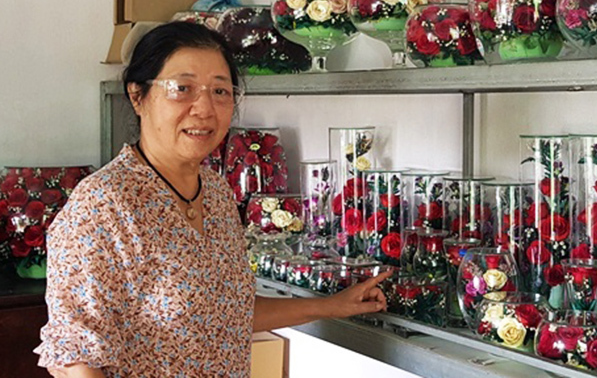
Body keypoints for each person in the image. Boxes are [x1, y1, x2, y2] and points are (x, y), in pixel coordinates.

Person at [34, 22, 391, 378]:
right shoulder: (104, 205)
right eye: (182, 88)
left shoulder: (217, 193)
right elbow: (77, 357)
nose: (204, 108)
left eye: (220, 91)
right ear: (137, 96)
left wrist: (333, 306)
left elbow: (228, 313)